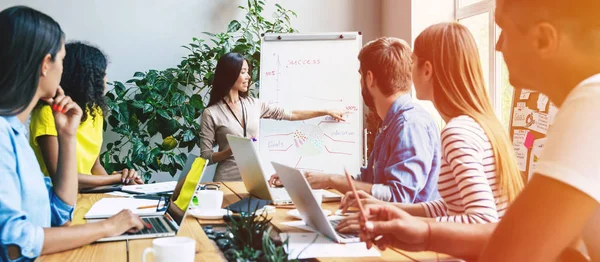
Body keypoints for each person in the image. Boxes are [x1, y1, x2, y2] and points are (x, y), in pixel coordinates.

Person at [350, 0, 600, 261]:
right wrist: (417, 226)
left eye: (503, 29)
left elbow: (515, 248)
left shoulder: (591, 103)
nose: (497, 45)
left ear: (543, 39)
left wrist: (425, 231)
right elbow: (516, 236)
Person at [337, 23, 524, 227]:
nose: (407, 71)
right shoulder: (474, 124)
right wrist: (386, 212)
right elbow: (450, 207)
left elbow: (483, 220)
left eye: (412, 61)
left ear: (426, 70)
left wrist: (404, 226)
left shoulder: (457, 133)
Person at [0, 6, 144, 261]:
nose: (64, 71)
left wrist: (67, 136)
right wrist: (107, 227)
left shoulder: (14, 134)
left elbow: (60, 212)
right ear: (46, 64)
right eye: (62, 59)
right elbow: (14, 243)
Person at [270, 37, 441, 203]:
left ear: (369, 78)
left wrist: (332, 180)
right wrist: (313, 179)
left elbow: (399, 197)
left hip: (401, 230)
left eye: (360, 75)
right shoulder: (392, 122)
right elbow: (368, 182)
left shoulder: (409, 125)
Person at [199, 52, 346, 181]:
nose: (248, 76)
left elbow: (290, 114)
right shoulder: (211, 113)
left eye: (248, 72)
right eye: (243, 72)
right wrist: (229, 151)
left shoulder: (254, 104)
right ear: (230, 74)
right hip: (226, 181)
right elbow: (205, 156)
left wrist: (325, 111)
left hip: (255, 179)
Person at [29, 41, 143, 190]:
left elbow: (95, 166)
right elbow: (59, 175)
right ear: (84, 78)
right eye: (101, 75)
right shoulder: (48, 112)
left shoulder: (95, 112)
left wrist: (124, 183)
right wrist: (115, 179)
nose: (105, 80)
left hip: (86, 195)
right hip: (55, 198)